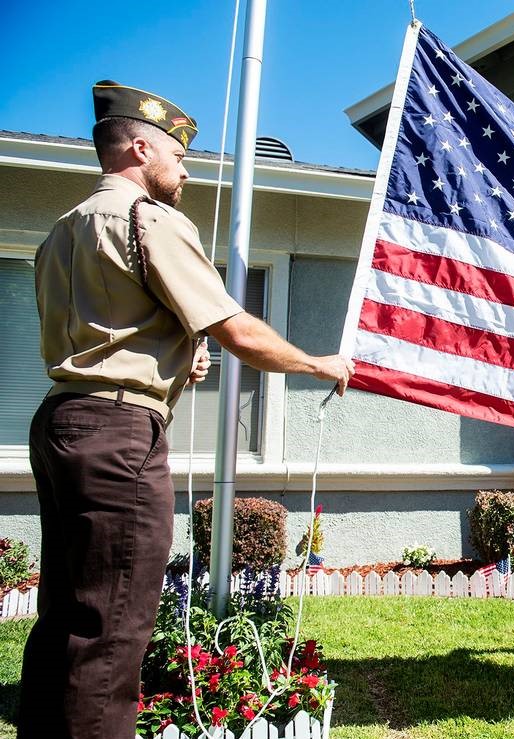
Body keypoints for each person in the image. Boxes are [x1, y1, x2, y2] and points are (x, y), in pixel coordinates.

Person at [19, 81, 355, 739]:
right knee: (113, 630)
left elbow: (102, 336)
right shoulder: (148, 220)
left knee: (64, 616)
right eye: (179, 155)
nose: (186, 169)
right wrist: (320, 363)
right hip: (119, 437)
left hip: (61, 422)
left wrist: (173, 362)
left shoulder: (61, 231)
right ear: (140, 146)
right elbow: (236, 329)